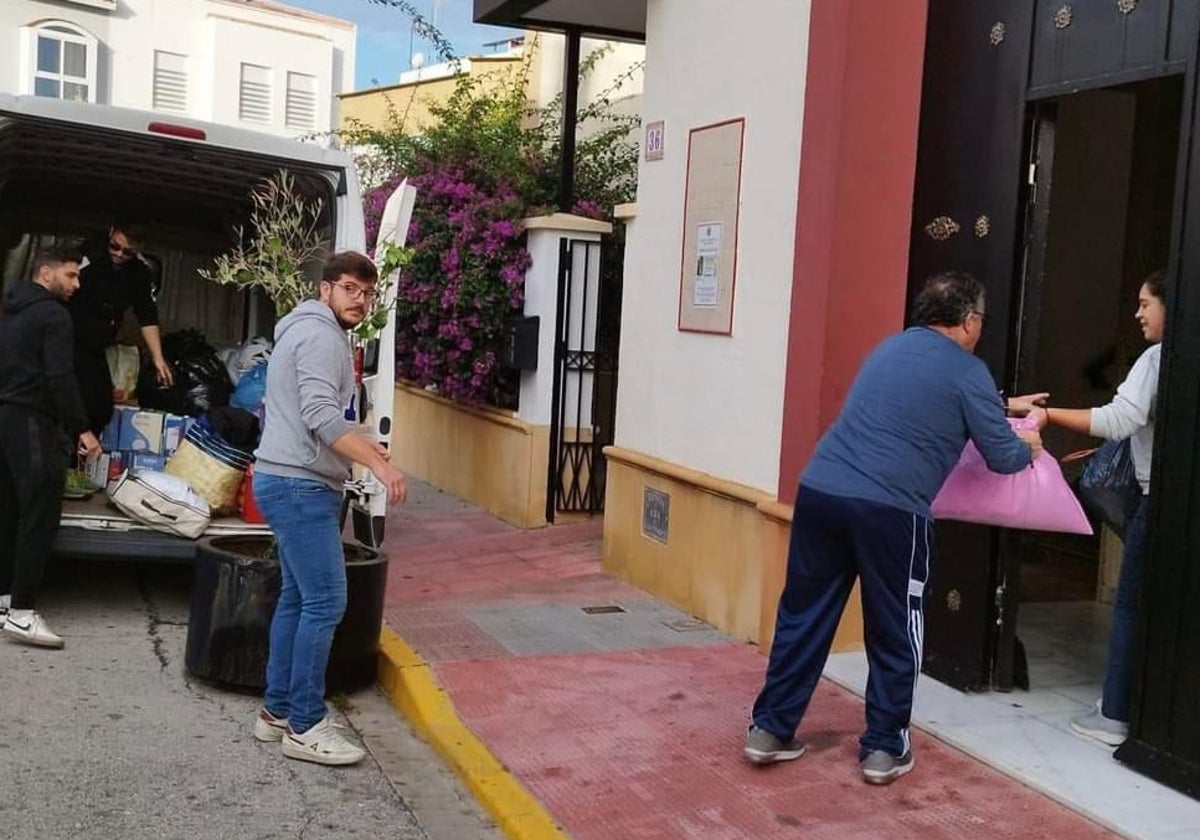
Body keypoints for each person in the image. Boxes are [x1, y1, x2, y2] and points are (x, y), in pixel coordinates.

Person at [744, 271, 1044, 785]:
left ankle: (769, 731)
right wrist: (1029, 447)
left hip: (821, 492)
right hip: (890, 512)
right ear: (970, 321)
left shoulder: (887, 350)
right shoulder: (967, 370)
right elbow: (1001, 455)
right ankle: (884, 747)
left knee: (804, 615)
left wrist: (1001, 403)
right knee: (894, 626)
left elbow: (924, 395)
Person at [250, 251, 407, 766]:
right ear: (326, 289)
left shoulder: (302, 330)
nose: (359, 300)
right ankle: (305, 725)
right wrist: (380, 467)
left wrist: (363, 451)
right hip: (300, 485)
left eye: (366, 292)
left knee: (299, 598)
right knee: (324, 602)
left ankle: (277, 712)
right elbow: (320, 414)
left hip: (283, 476)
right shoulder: (321, 337)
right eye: (349, 289)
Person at [1040, 271, 1166, 748]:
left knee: (1132, 604)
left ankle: (1114, 714)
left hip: (1155, 500)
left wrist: (1050, 416)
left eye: (1145, 303)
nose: (1138, 313)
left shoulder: (1158, 358)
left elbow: (1120, 420)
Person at [0, 245, 102, 649]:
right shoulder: (54, 316)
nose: (77, 284)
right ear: (46, 273)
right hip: (31, 420)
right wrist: (83, 429)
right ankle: (22, 613)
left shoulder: (9, 311)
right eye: (71, 275)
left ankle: (5, 599)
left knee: (8, 512)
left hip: (5, 416)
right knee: (41, 513)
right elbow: (60, 377)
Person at [69, 223, 174, 434]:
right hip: (67, 338)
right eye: (114, 246)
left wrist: (158, 358)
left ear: (138, 249)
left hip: (96, 347)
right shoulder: (86, 257)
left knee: (100, 408)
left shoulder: (139, 273)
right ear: (110, 234)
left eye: (127, 252)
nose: (118, 254)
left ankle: (84, 457)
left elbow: (147, 315)